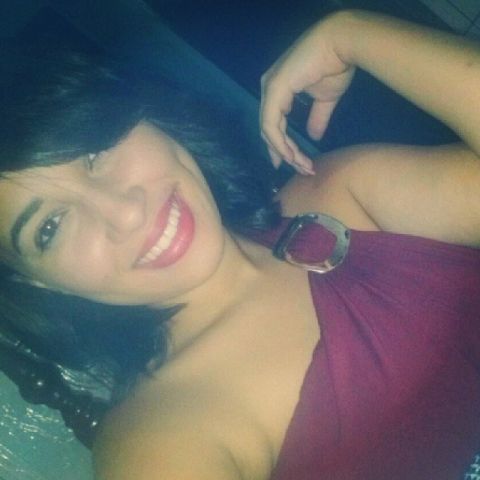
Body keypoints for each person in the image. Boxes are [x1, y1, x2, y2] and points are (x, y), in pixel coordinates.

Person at [0, 9, 479, 480]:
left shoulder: (335, 195)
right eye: (50, 227)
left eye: (95, 150)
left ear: (144, 117)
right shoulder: (162, 439)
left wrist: (351, 35)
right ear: (40, 283)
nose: (125, 212)